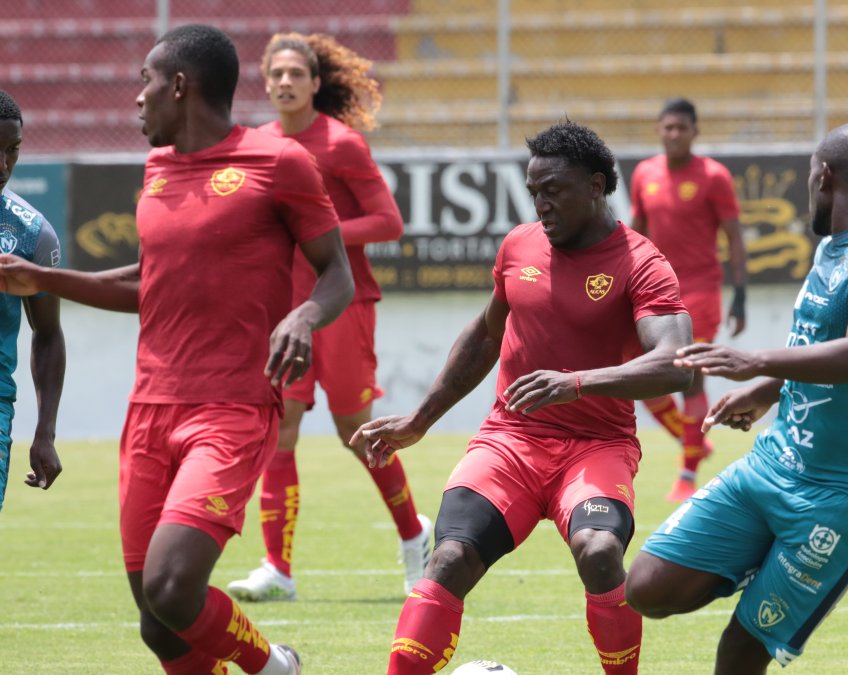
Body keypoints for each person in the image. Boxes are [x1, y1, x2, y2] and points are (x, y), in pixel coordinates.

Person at [0, 25, 354, 674]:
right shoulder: (159, 169)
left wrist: (305, 315)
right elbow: (149, 283)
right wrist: (45, 279)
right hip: (148, 411)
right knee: (160, 626)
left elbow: (337, 272)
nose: (137, 99)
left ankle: (276, 666)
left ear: (181, 86)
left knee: (172, 587)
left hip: (232, 408)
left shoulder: (279, 164)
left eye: (146, 83)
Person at [350, 120, 694, 675]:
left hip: (596, 444)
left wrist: (577, 382)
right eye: (534, 191)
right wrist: (420, 420)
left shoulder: (641, 261)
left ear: (598, 186)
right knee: (450, 557)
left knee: (601, 552)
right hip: (511, 439)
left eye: (554, 189)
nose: (541, 204)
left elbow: (675, 364)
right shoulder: (518, 245)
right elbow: (487, 334)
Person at [624, 122, 848, 674]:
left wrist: (758, 360)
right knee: (648, 586)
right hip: (776, 462)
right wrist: (768, 389)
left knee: (741, 650)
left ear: (825, 177)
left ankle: (768, 578)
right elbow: (819, 342)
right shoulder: (832, 250)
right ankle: (759, 560)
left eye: (812, 177)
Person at [226, 32, 432, 603]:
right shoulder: (254, 143)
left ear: (316, 83)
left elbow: (388, 222)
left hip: (344, 304)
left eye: (297, 73)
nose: (286, 81)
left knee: (354, 430)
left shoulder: (342, 145)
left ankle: (416, 536)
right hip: (283, 311)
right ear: (265, 82)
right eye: (278, 73)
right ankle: (277, 568)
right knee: (280, 428)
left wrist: (321, 234)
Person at [628, 97, 747, 502]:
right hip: (654, 290)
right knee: (641, 380)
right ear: (659, 130)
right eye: (667, 127)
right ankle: (693, 438)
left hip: (700, 291)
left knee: (691, 376)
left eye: (681, 128)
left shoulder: (713, 176)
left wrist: (741, 294)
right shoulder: (645, 174)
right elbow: (636, 234)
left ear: (695, 132)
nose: (674, 134)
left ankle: (687, 474)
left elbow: (733, 236)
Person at [0, 90, 65, 512]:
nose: (3, 166)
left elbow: (48, 333)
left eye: (13, 150)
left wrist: (45, 431)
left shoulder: (31, 235)